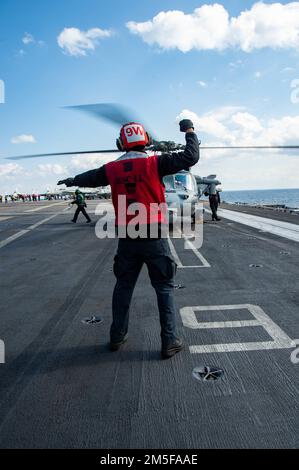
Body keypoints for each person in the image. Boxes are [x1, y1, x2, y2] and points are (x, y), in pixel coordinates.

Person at [58, 119, 199, 359]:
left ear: (120, 144)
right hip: (154, 233)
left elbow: (90, 177)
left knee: (123, 286)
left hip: (127, 234)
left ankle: (117, 336)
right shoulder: (156, 163)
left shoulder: (111, 169)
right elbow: (191, 156)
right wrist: (189, 131)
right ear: (146, 142)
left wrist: (72, 180)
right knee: (164, 287)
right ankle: (169, 341)